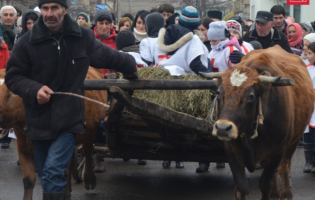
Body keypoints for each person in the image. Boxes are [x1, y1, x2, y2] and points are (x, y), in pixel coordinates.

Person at [5, 0, 138, 199]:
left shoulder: (81, 37)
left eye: (54, 8)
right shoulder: (27, 42)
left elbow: (108, 56)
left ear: (65, 10)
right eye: (45, 9)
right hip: (38, 121)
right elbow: (13, 77)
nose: (49, 13)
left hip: (69, 120)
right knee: (45, 173)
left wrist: (132, 68)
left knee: (52, 172)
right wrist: (33, 89)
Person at [92, 9, 117, 80]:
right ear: (95, 23)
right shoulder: (89, 39)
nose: (104, 27)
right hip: (93, 82)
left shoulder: (117, 40)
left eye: (107, 23)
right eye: (101, 23)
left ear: (111, 24)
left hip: (112, 82)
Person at [304, 42, 315, 174]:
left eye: (310, 53)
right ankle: (310, 161)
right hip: (311, 106)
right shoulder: (307, 68)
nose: (307, 56)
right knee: (311, 135)